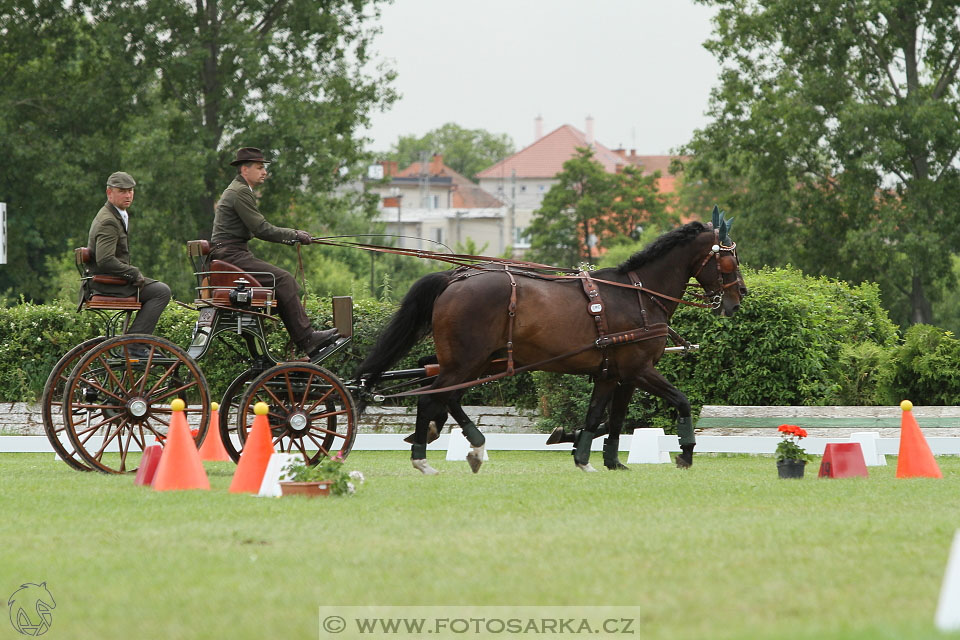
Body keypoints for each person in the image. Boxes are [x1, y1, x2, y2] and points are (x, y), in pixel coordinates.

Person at [210, 147, 337, 357]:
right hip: (231, 256)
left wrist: (293, 235)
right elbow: (261, 229)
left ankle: (303, 338)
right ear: (244, 169)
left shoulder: (238, 190)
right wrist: (294, 234)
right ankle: (307, 339)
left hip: (231, 254)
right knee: (283, 279)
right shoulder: (239, 192)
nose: (264, 172)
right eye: (259, 168)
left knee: (280, 282)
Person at [87, 171, 171, 348]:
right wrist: (133, 273)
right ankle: (135, 344)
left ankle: (136, 341)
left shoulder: (114, 215)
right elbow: (105, 260)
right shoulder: (109, 220)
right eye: (122, 191)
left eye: (131, 190)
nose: (128, 195)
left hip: (109, 280)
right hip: (108, 284)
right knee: (161, 291)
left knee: (156, 289)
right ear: (109, 193)